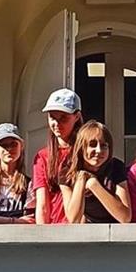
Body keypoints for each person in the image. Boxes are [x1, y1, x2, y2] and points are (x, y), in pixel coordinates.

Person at [61, 121, 133, 224]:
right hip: (87, 228)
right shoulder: (67, 170)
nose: (98, 150)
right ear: (81, 148)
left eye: (104, 146)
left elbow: (125, 217)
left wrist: (94, 184)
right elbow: (74, 219)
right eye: (92, 145)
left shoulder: (116, 167)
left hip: (114, 228)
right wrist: (81, 179)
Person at [33, 89, 84, 226]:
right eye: (52, 117)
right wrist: (42, 234)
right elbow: (42, 205)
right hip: (55, 229)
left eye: (63, 118)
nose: (56, 123)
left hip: (84, 228)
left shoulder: (87, 152)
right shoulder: (43, 156)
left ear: (77, 117)